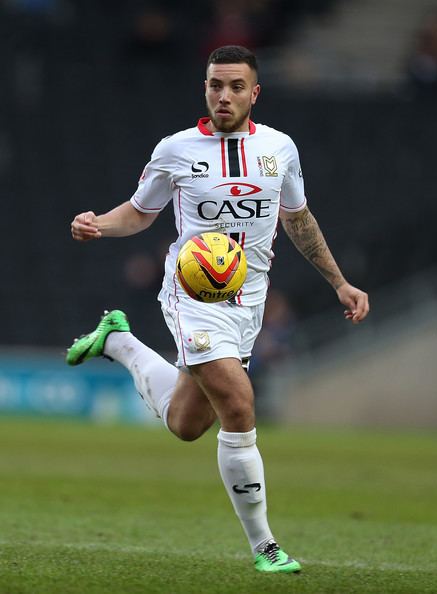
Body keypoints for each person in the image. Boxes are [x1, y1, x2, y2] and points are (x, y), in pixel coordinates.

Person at [66, 45, 369, 574]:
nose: (223, 95)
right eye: (214, 86)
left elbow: (297, 220)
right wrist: (98, 223)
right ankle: (265, 546)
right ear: (205, 89)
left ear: (255, 93)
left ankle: (117, 340)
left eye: (234, 87)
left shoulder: (281, 149)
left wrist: (339, 282)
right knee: (239, 403)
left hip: (248, 302)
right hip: (194, 294)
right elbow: (139, 214)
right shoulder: (176, 149)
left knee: (186, 424)